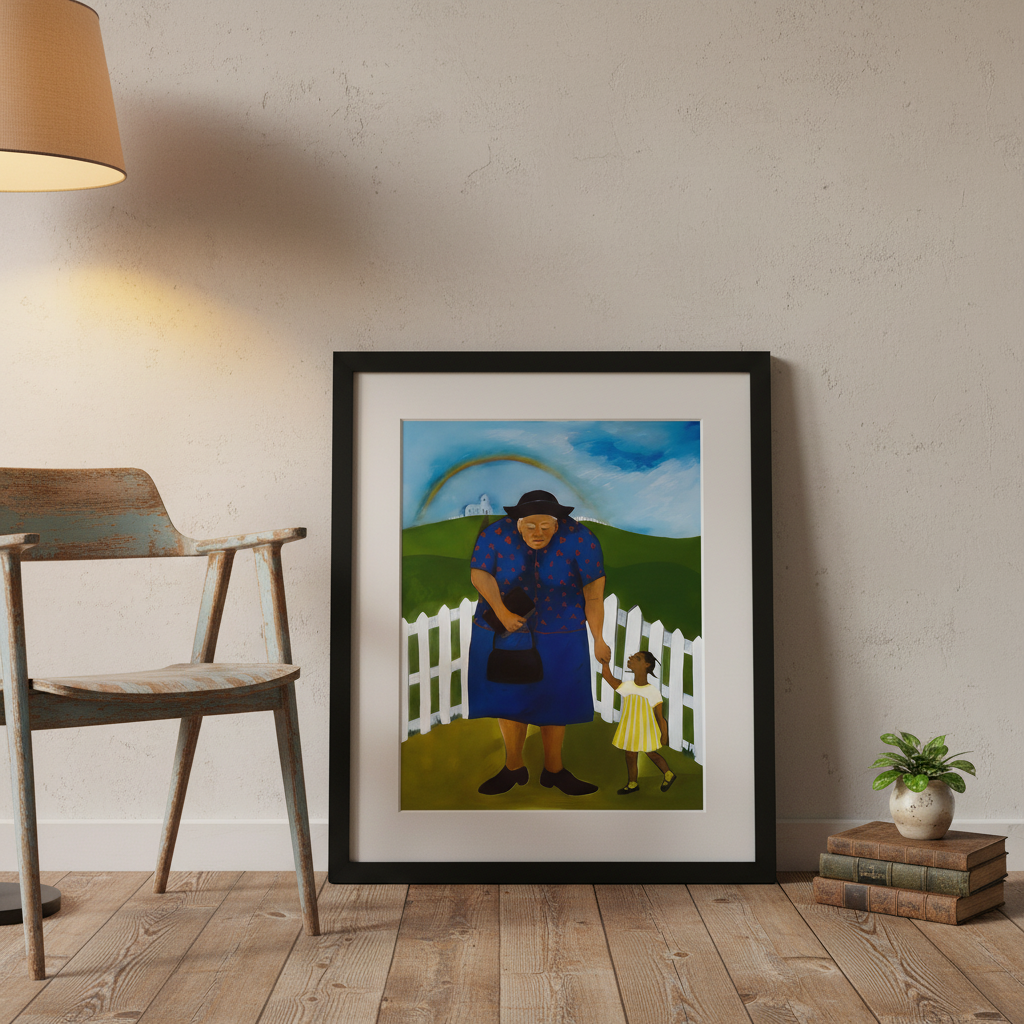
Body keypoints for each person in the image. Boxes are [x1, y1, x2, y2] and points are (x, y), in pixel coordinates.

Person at [468, 490, 611, 796]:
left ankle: (554, 771)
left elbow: (594, 593)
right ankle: (513, 767)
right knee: (508, 699)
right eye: (530, 526)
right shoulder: (494, 535)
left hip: (561, 631)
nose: (538, 533)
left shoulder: (581, 539)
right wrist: (503, 613)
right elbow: (479, 574)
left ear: (558, 525)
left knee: (556, 701)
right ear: (517, 524)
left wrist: (599, 638)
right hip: (503, 629)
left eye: (546, 527)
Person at [598, 650, 676, 795]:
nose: (631, 658)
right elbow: (608, 678)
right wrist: (605, 663)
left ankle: (668, 774)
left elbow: (660, 717)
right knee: (630, 755)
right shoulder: (628, 686)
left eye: (637, 658)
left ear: (646, 665)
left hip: (646, 730)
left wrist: (664, 734)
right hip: (631, 729)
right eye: (633, 656)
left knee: (651, 753)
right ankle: (633, 783)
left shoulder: (652, 691)